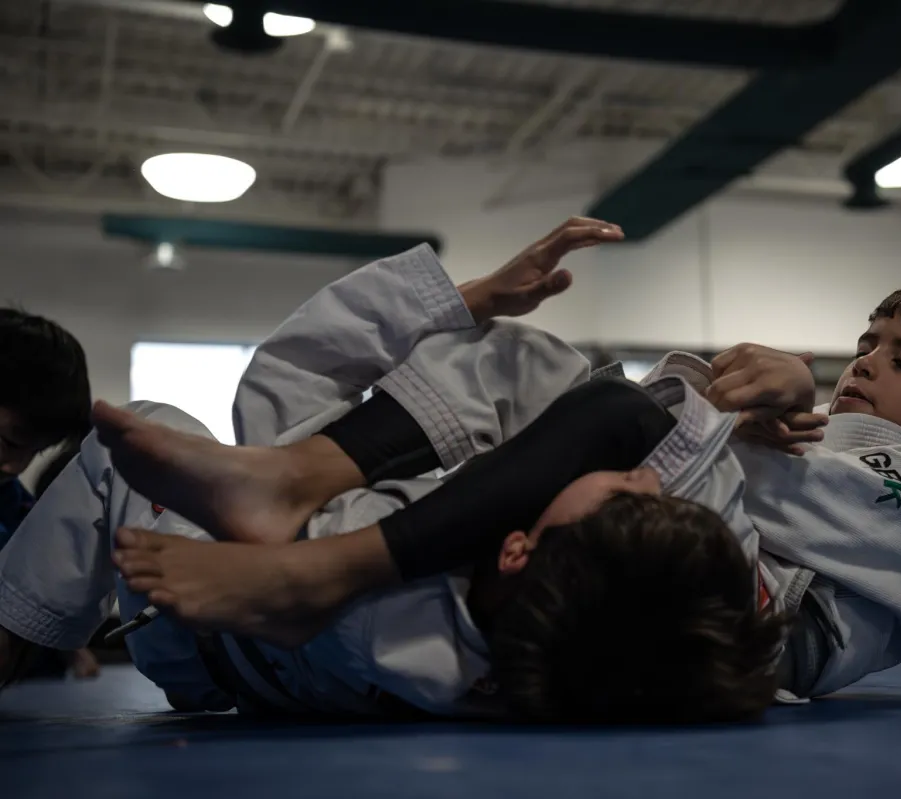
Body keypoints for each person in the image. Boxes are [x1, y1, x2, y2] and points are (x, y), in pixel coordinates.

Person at [102, 228, 901, 703]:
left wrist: (747, 394)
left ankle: (309, 526)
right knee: (574, 392)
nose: (865, 362)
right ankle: (295, 488)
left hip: (737, 616)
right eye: (866, 343)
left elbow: (771, 496)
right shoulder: (830, 449)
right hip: (227, 631)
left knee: (581, 390)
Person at [0, 220, 786, 723]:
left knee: (137, 440)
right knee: (578, 405)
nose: (644, 481)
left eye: (624, 492)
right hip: (237, 665)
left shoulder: (388, 602)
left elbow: (287, 385)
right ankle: (290, 480)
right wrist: (785, 386)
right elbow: (659, 463)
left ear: (516, 545)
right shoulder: (609, 640)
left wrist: (470, 299)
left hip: (191, 610)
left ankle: (10, 636)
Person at [0, 309, 99, 681]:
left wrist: (73, 651)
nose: (14, 466)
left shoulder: (19, 509)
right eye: (8, 441)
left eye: (33, 451)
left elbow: (38, 590)